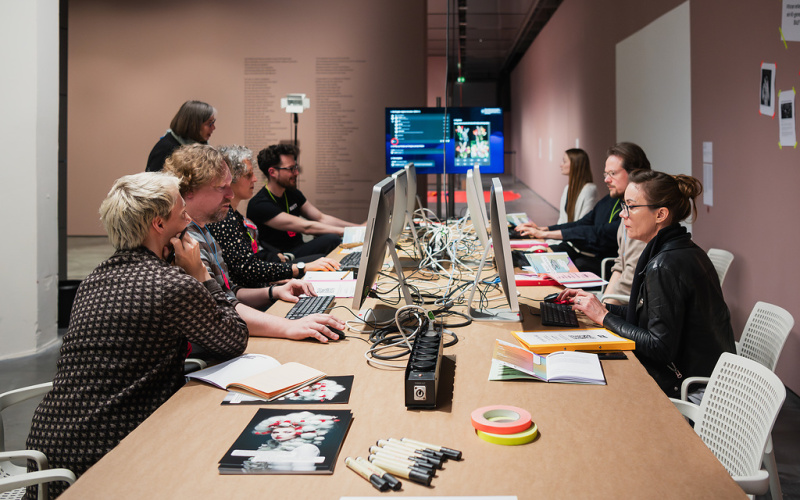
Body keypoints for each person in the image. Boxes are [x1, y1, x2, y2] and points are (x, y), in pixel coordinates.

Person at [26, 172, 249, 498]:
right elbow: (233, 338)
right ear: (159, 225)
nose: (188, 221)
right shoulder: (171, 285)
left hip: (52, 447)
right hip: (110, 455)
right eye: (182, 214)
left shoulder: (94, 279)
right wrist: (202, 276)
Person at [557, 170, 735, 398]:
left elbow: (659, 347)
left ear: (660, 214)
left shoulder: (665, 265)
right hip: (705, 376)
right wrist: (596, 307)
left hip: (691, 389)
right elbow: (650, 316)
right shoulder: (682, 249)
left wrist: (604, 317)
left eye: (631, 207)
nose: (623, 215)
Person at [162, 144, 344, 342]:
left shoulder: (204, 229)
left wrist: (273, 291)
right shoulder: (185, 242)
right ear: (190, 190)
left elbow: (229, 293)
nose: (230, 194)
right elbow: (218, 313)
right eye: (221, 187)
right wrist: (288, 327)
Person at [207, 145, 340, 287]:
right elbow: (248, 270)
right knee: (323, 256)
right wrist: (299, 268)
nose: (255, 179)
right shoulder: (226, 218)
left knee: (325, 252)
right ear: (229, 179)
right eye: (248, 175)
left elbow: (250, 261)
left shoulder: (233, 215)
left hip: (271, 267)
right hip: (253, 287)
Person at [517, 142, 651, 276]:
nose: (606, 180)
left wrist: (545, 234)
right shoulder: (610, 200)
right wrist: (543, 229)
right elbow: (583, 223)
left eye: (613, 173)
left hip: (603, 265)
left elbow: (597, 233)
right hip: (594, 259)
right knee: (542, 257)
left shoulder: (638, 213)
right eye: (606, 174)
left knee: (574, 262)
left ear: (634, 173)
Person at [247, 144, 361, 260]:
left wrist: (359, 228)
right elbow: (306, 227)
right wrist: (347, 232)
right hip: (282, 258)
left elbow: (320, 218)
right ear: (272, 172)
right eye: (291, 169)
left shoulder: (292, 193)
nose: (296, 173)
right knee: (324, 253)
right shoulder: (259, 204)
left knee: (331, 239)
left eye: (295, 167)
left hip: (298, 249)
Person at [145, 100, 217, 172]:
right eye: (209, 123)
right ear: (194, 125)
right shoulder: (165, 149)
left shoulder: (202, 144)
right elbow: (153, 181)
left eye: (213, 122)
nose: (213, 128)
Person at [556, 148, 597, 224]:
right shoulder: (567, 188)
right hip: (566, 233)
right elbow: (562, 220)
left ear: (576, 164)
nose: (561, 165)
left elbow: (583, 223)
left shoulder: (589, 190)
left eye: (564, 161)